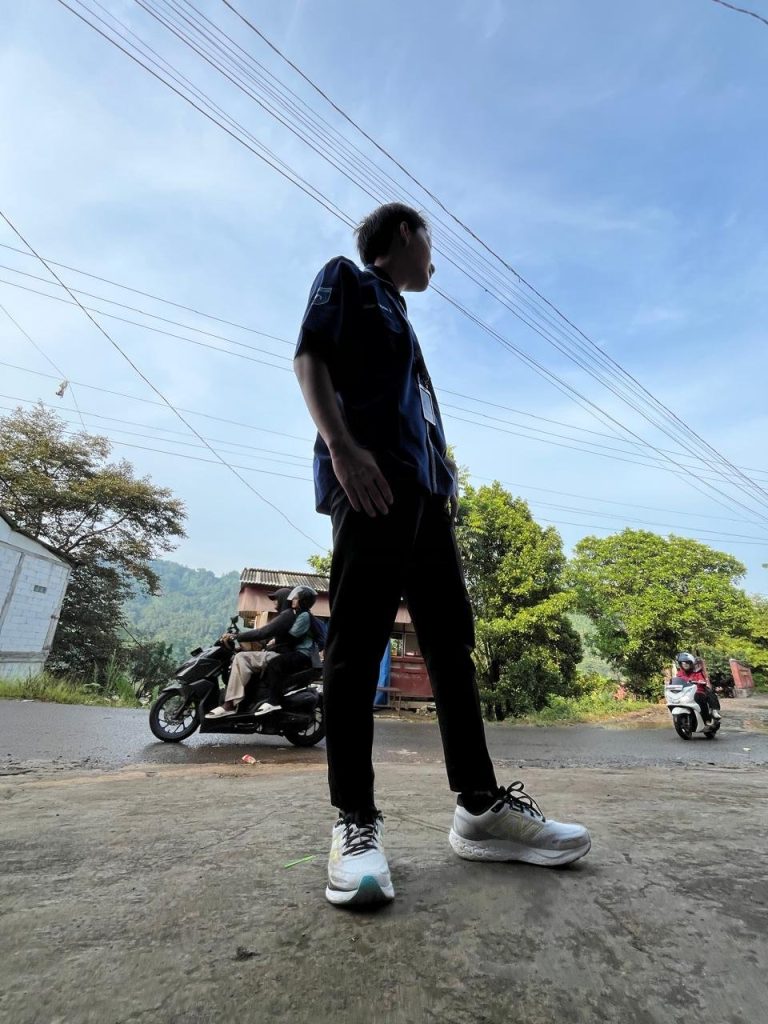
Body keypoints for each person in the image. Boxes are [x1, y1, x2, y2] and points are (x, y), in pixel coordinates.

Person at [293, 202, 591, 908]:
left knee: (452, 646)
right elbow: (309, 357)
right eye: (431, 243)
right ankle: (355, 823)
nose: (436, 259)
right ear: (405, 233)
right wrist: (342, 448)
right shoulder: (348, 280)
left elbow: (418, 414)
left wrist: (446, 483)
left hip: (428, 501)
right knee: (356, 647)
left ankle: (480, 808)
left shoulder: (404, 322)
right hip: (372, 485)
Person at [205, 587, 314, 718]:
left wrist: (237, 636)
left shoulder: (287, 615)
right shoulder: (288, 616)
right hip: (279, 652)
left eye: (276, 599)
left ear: (283, 600)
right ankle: (246, 700)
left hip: (280, 655)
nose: (274, 602)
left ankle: (230, 704)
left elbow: (263, 632)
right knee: (243, 655)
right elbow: (268, 635)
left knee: (241, 658)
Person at [255, 586, 318, 715]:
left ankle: (273, 702)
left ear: (303, 601)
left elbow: (291, 636)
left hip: (304, 653)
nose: (292, 600)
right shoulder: (300, 614)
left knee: (274, 664)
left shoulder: (304, 616)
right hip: (301, 652)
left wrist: (275, 638)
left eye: (296, 598)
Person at [674, 651, 718, 723]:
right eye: (683, 663)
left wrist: (700, 681)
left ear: (691, 663)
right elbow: (677, 681)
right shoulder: (679, 674)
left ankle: (707, 719)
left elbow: (702, 679)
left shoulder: (697, 672)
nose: (685, 664)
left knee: (701, 699)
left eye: (687, 663)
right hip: (685, 693)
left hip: (698, 691)